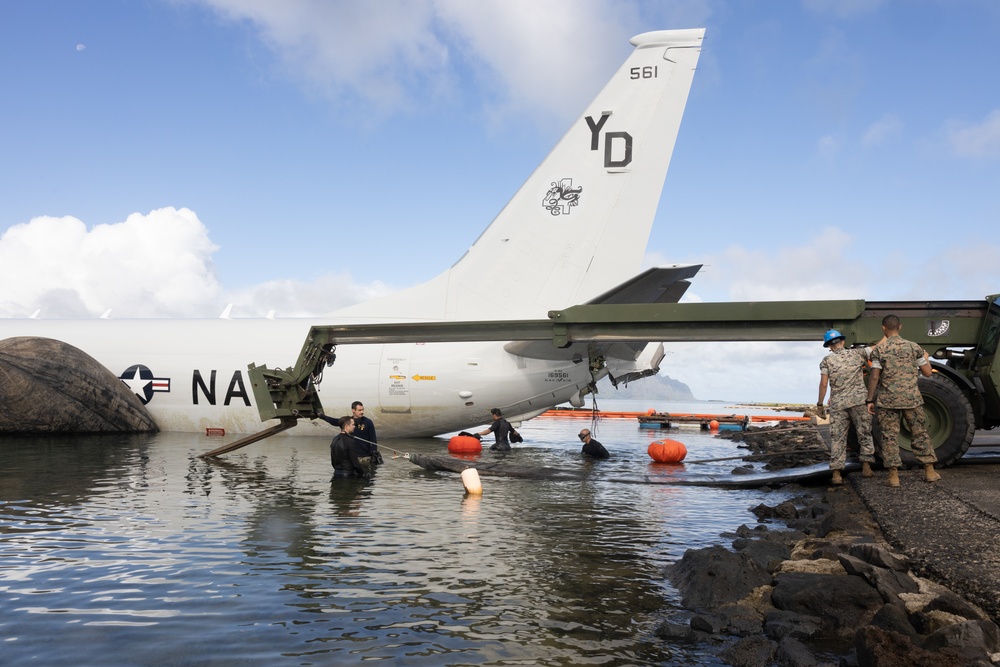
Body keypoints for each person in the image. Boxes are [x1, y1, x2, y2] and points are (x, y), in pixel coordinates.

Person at [865, 314, 941, 487]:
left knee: (889, 437)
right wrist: (926, 359)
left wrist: (870, 399)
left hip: (887, 401)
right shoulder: (914, 348)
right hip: (912, 399)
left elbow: (874, 377)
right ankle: (929, 471)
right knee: (919, 433)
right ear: (900, 327)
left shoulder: (879, 351)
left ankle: (893, 476)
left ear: (883, 328)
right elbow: (928, 373)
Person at [817, 328, 882, 485]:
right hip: (858, 401)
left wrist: (820, 403)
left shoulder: (826, 361)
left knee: (838, 438)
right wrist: (888, 335)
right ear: (843, 342)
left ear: (829, 346)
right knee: (864, 433)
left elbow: (824, 384)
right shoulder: (857, 354)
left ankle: (837, 474)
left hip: (838, 404)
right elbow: (877, 347)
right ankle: (866, 467)